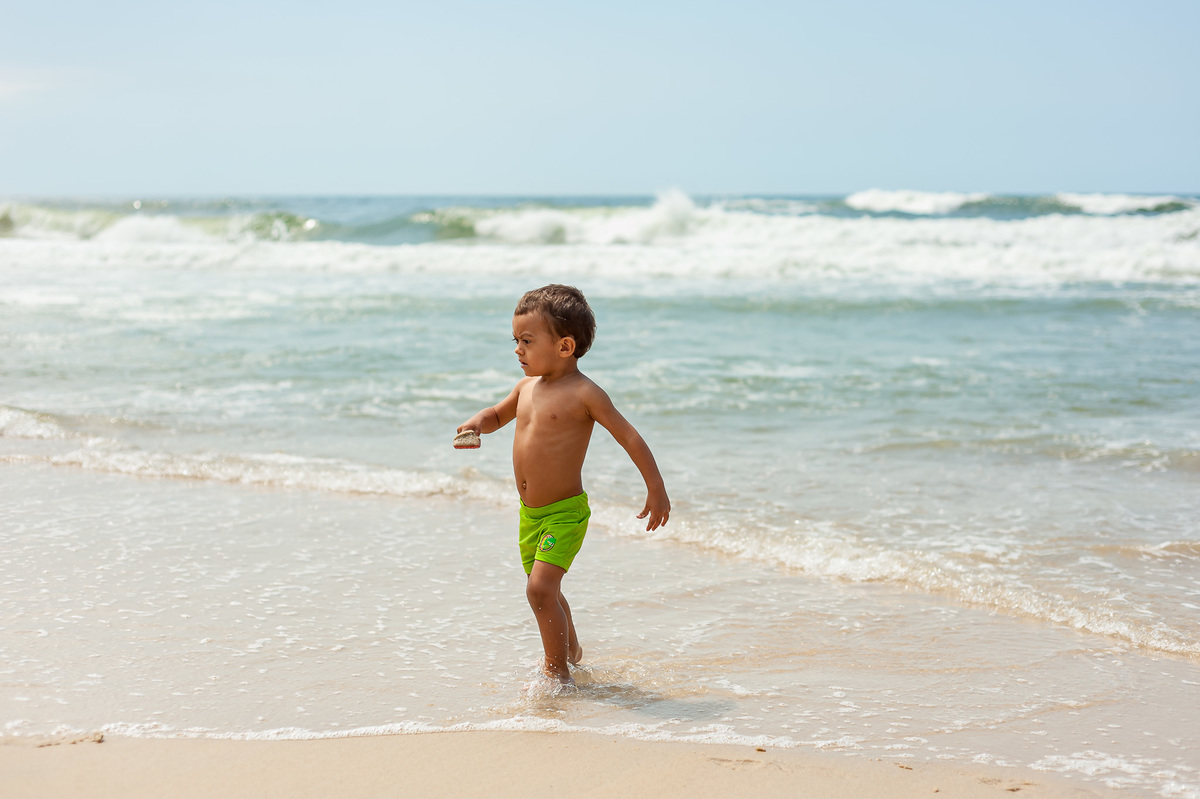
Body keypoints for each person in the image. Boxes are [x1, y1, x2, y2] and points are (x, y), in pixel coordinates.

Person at [457, 284, 670, 684]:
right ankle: (570, 649)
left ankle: (557, 673)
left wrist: (655, 488)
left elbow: (629, 436)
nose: (517, 349)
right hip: (530, 515)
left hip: (564, 514)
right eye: (515, 340)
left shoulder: (584, 393)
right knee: (546, 590)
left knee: (539, 590)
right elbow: (497, 415)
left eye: (527, 340)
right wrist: (477, 424)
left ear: (565, 346)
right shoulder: (524, 388)